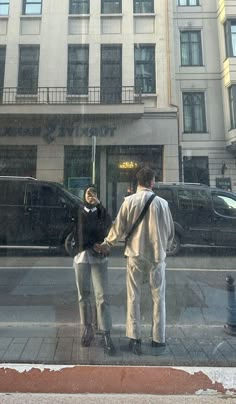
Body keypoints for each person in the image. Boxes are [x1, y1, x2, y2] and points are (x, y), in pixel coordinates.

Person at [95, 167, 174, 355]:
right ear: (152, 182)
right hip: (156, 256)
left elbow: (118, 227)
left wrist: (107, 243)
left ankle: (135, 338)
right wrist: (163, 248)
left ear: (137, 182)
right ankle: (158, 339)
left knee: (133, 297)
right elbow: (169, 233)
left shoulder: (129, 202)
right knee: (158, 298)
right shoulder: (162, 204)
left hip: (135, 254)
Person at [73, 185, 116, 356]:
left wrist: (99, 205)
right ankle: (87, 328)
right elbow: (78, 232)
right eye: (88, 193)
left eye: (94, 193)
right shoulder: (78, 210)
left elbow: (107, 226)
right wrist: (85, 245)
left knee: (102, 296)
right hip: (82, 256)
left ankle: (106, 333)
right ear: (83, 195)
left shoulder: (101, 211)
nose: (91, 196)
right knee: (83, 295)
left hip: (99, 256)